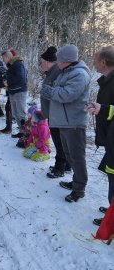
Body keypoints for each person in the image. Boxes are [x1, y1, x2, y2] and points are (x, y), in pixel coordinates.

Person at [40, 44, 90, 202]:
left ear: (67, 60)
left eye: (60, 59)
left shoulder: (79, 74)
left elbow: (68, 94)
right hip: (64, 121)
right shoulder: (65, 72)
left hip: (74, 122)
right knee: (69, 155)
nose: (57, 62)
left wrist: (50, 91)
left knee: (77, 156)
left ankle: (79, 189)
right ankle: (76, 182)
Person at [85, 46, 114, 226]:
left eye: (95, 60)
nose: (93, 63)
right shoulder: (106, 79)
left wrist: (102, 109)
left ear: (103, 62)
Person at [39, 46, 71, 178]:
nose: (41, 65)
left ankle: (59, 168)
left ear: (47, 62)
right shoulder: (53, 72)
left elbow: (58, 93)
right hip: (53, 114)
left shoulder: (57, 72)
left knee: (59, 142)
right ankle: (67, 165)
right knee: (60, 141)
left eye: (41, 62)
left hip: (57, 114)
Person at [2, 49, 28, 138]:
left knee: (21, 113)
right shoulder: (12, 65)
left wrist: (8, 82)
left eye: (3, 58)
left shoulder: (18, 64)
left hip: (20, 91)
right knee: (16, 113)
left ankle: (27, 133)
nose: (3, 61)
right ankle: (22, 132)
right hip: (13, 91)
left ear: (8, 57)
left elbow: (20, 77)